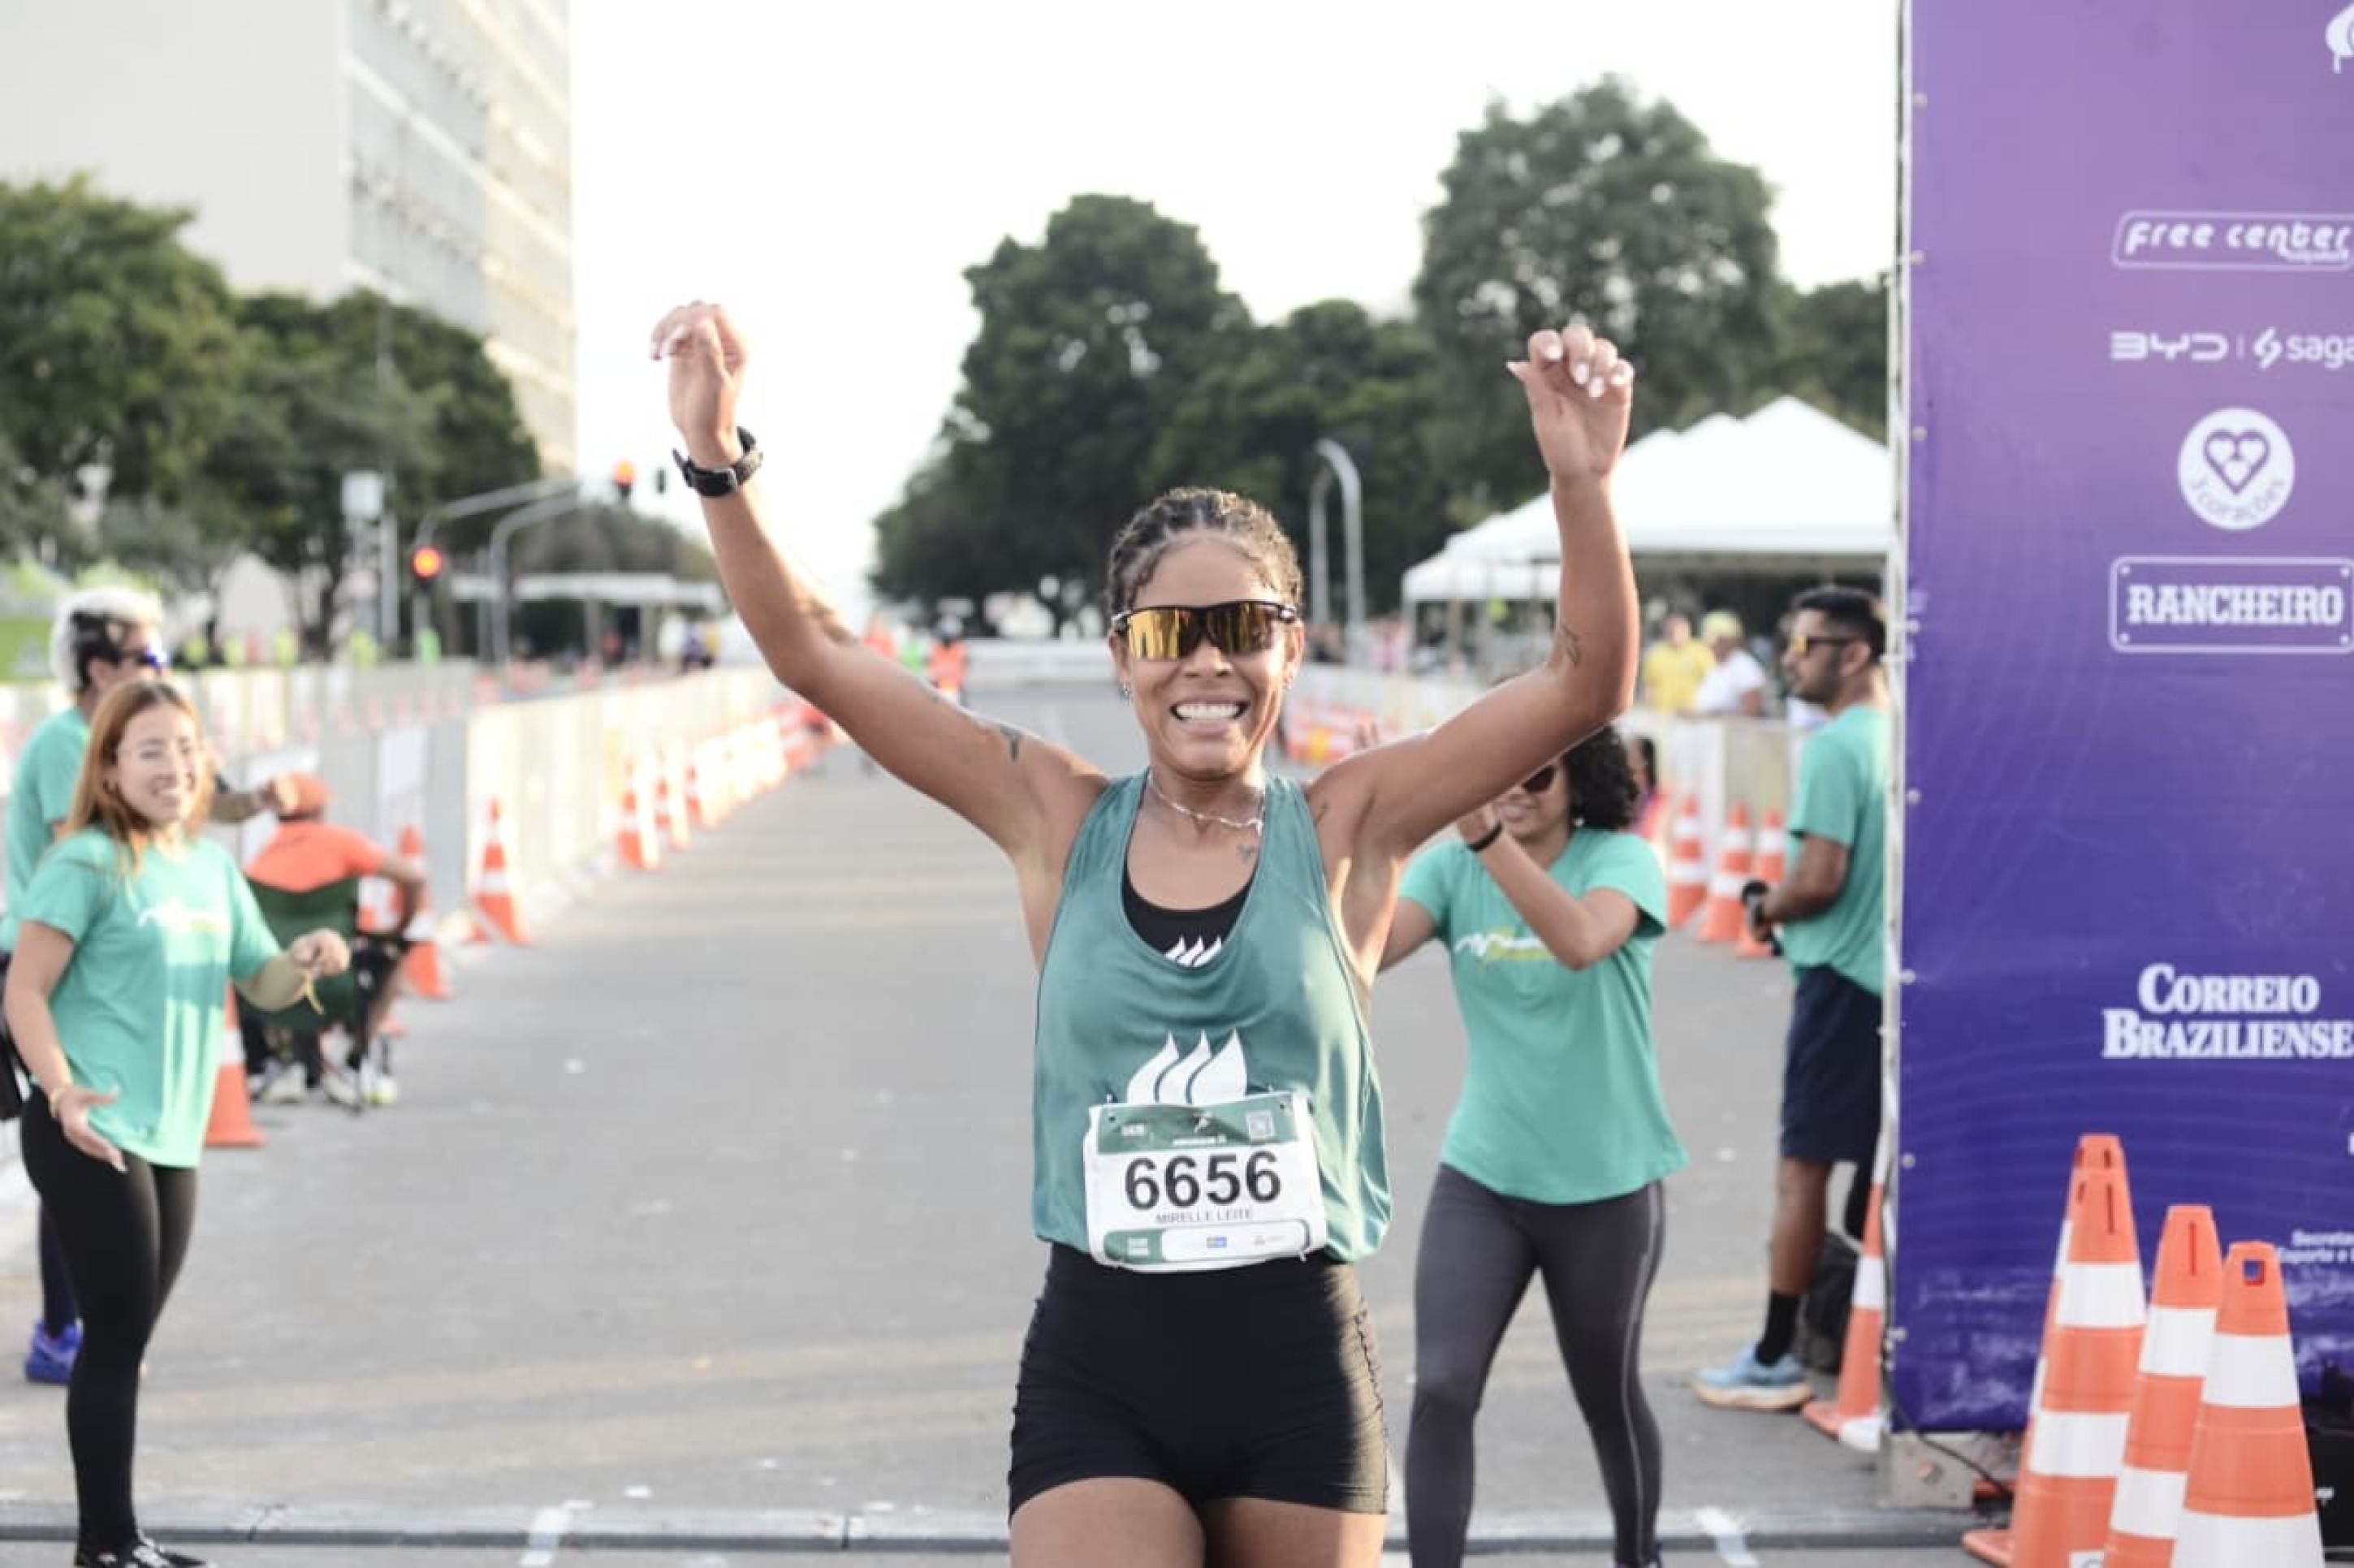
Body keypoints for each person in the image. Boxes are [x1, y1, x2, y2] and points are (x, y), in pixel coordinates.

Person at [650, 300, 1640, 1568]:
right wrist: (717, 457)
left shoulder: (1350, 822)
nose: (1207, 664)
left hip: (1297, 1369)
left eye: (1244, 629)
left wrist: (1580, 483)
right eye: (1171, 634)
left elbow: (1582, 683)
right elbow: (814, 652)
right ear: (1123, 655)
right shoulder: (1052, 815)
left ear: (1289, 647)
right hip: (1102, 1366)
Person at [4, 680, 351, 1568]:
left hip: (172, 1134)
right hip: (89, 1126)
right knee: (116, 1338)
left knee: (127, 1339)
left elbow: (261, 978)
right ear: (111, 768)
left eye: (187, 749)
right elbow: (25, 990)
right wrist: (59, 1089)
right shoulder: (87, 862)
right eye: (151, 750)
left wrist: (306, 957)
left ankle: (117, 1538)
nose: (175, 766)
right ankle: (107, 1544)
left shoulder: (208, 867)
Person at [1380, 724, 1682, 1568]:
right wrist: (1378, 836)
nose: (1514, 786)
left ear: (1579, 777)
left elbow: (1581, 941)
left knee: (1605, 1393)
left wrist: (1486, 840)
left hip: (1607, 1185)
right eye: (1497, 768)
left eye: (1536, 771)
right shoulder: (1450, 870)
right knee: (1442, 1386)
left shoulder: (1621, 860)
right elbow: (1360, 953)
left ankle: (1637, 1556)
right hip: (1485, 1177)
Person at [2, 590, 289, 1389]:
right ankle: (62, 1327)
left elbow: (193, 806)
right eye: (147, 656)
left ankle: (89, 1331)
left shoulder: (151, 739)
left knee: (102, 1157)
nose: (162, 668)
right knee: (80, 1139)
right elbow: (94, 856)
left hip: (115, 953)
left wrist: (257, 803)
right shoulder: (67, 744)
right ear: (100, 667)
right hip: (60, 955)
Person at [1695, 588, 1890, 1411]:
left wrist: (1762, 905)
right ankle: (1859, 1335)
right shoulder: (1896, 733)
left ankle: (1775, 1352)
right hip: (1886, 986)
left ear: (1855, 654)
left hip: (1839, 983)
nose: (1790, 657)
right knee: (1873, 1176)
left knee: (1801, 1170)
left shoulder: (1837, 746)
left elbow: (1818, 879)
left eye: (1806, 643)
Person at [240, 774, 428, 1106]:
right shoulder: (343, 843)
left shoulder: (261, 859)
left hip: (273, 987)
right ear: (320, 810)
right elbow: (414, 877)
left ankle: (286, 1057)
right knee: (394, 957)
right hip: (339, 980)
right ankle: (358, 1055)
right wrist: (398, 928)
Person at [1689, 611, 1769, 718]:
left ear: (1729, 640)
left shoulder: (1744, 666)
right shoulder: (1714, 666)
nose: (1710, 645)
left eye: (1717, 640)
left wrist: (1710, 716)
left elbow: (1752, 713)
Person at [1636, 612, 1713, 715]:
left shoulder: (1700, 651)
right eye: (1671, 630)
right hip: (1662, 713)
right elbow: (1649, 685)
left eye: (1679, 630)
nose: (1675, 634)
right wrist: (1649, 709)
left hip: (1691, 714)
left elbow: (1711, 681)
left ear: (1687, 630)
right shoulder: (1656, 653)